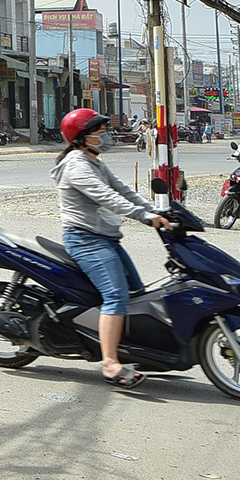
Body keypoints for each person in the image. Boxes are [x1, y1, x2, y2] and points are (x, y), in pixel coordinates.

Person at [53, 108, 170, 388]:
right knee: (116, 296)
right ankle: (109, 363)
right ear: (81, 137)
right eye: (98, 131)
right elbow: (106, 197)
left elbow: (123, 190)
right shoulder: (76, 165)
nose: (105, 135)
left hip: (105, 238)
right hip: (86, 239)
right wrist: (145, 217)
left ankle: (130, 349)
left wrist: (158, 209)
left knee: (137, 293)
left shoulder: (94, 160)